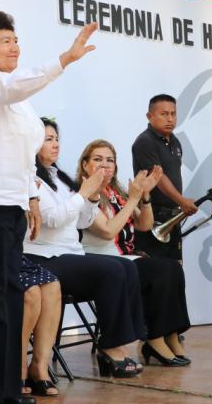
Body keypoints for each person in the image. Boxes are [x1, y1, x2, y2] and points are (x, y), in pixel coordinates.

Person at [0, 10, 97, 403]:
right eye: (6, 40)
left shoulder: (18, 100)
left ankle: (6, 387)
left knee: (10, 296)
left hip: (9, 208)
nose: (15, 46)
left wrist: (30, 196)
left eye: (17, 39)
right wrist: (63, 60)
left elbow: (26, 153)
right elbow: (10, 88)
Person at [25, 120, 147, 378]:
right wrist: (84, 194)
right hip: (43, 256)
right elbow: (54, 219)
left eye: (56, 138)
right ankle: (110, 347)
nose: (55, 144)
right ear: (31, 142)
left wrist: (92, 197)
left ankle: (123, 342)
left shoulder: (59, 177)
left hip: (69, 254)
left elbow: (81, 221)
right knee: (111, 270)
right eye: (47, 139)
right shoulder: (31, 179)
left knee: (127, 267)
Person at [78, 137, 192, 366]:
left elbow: (144, 225)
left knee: (172, 267)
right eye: (98, 159)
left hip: (124, 259)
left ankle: (170, 334)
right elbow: (108, 231)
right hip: (100, 260)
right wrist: (133, 199)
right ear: (85, 164)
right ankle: (154, 338)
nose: (105, 165)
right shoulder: (84, 193)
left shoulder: (115, 191)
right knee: (158, 271)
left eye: (110, 160)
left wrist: (145, 196)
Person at [131, 94, 196, 261]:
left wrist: (179, 205)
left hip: (173, 217)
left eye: (173, 114)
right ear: (150, 116)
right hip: (153, 217)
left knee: (176, 270)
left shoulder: (175, 141)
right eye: (164, 114)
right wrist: (182, 200)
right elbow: (158, 178)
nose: (170, 119)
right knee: (158, 274)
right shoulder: (145, 142)